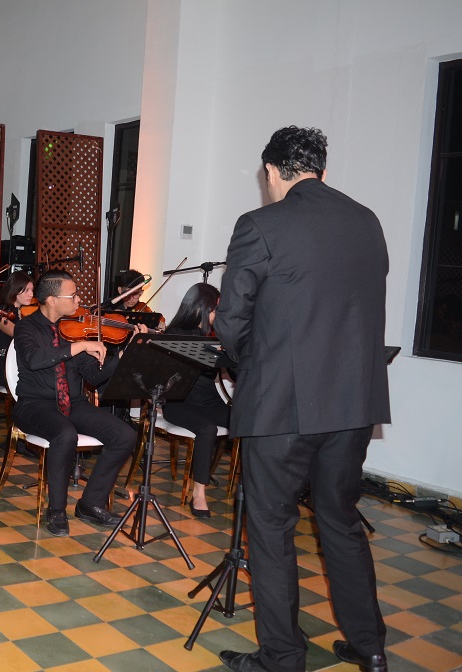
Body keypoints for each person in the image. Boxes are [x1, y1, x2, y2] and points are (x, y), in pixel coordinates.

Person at [214, 127, 389, 672]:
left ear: (271, 172)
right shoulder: (366, 221)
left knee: (270, 527)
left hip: (281, 407)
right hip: (353, 403)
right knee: (340, 518)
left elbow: (230, 321)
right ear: (322, 170)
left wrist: (250, 366)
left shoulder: (260, 224)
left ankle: (283, 657)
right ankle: (371, 647)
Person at [12, 270, 140, 536]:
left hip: (73, 402)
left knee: (124, 435)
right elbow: (35, 360)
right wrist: (79, 346)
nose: (79, 299)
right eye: (72, 295)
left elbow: (93, 375)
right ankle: (56, 510)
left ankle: (90, 504)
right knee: (65, 434)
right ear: (51, 300)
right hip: (35, 404)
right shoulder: (27, 326)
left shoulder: (74, 328)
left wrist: (125, 353)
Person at [161, 283, 229, 517]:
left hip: (209, 401)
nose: (216, 315)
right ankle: (199, 494)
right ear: (201, 308)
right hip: (179, 404)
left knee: (248, 419)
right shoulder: (176, 334)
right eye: (214, 309)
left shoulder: (213, 335)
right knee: (207, 429)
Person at [0, 270, 33, 388]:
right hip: (5, 367)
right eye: (27, 290)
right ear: (15, 290)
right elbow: (18, 333)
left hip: (22, 365)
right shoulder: (1, 312)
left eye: (32, 290)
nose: (31, 294)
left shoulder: (26, 312)